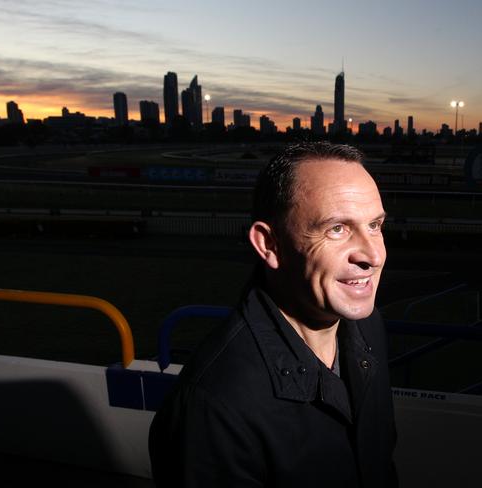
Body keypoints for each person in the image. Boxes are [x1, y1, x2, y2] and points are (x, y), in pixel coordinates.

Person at [149, 141, 398, 487]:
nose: (373, 254)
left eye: (375, 225)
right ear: (270, 245)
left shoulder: (367, 326)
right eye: (337, 229)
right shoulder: (213, 405)